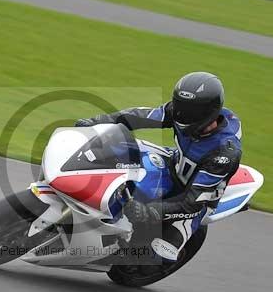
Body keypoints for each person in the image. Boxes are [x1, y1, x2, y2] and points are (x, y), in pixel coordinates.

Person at [74, 71, 242, 260]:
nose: (180, 115)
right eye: (179, 106)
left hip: (196, 199)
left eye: (189, 111)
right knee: (116, 150)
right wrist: (97, 122)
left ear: (209, 113)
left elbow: (191, 202)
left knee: (155, 253)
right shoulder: (181, 113)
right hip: (174, 163)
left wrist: (150, 210)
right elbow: (140, 116)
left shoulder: (224, 152)